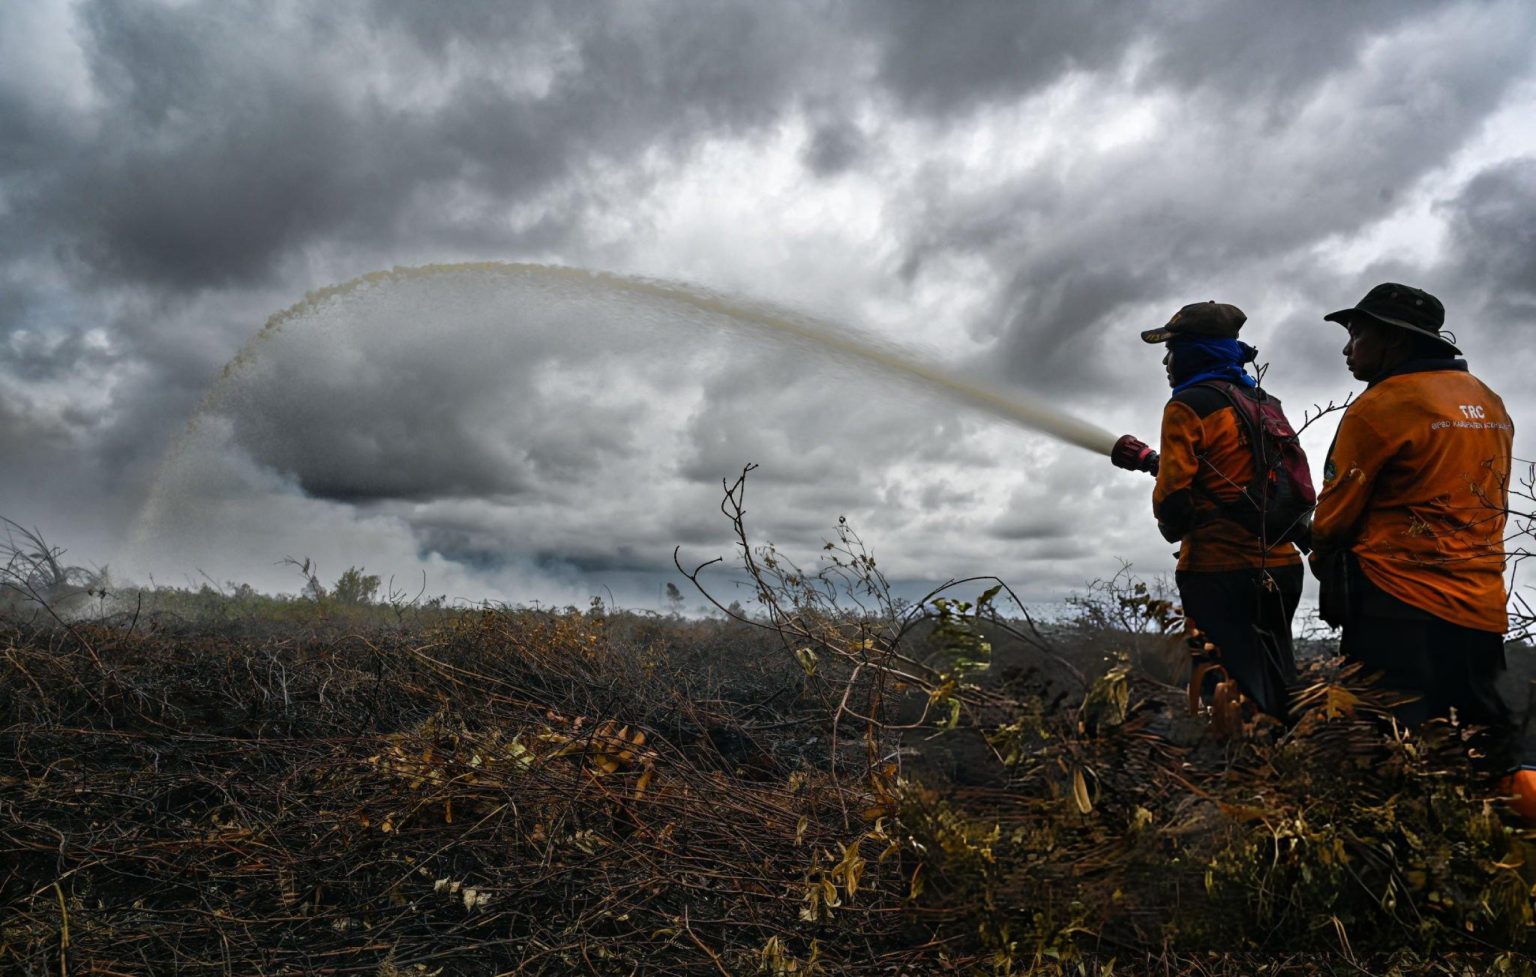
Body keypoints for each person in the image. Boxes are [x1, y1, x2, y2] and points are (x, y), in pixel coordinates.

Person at [1310, 282, 1517, 775]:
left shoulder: (1381, 405)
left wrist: (1315, 546)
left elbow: (1333, 519)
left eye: (1357, 334)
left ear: (1394, 341)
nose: (1346, 348)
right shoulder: (1488, 400)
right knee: (1478, 744)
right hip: (1481, 606)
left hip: (1396, 604)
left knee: (1388, 746)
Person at [1114, 301, 1308, 718]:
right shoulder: (1264, 401)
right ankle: (1293, 764)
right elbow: (1237, 474)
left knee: (1224, 688)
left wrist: (1172, 517)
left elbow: (1173, 502)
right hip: (1283, 569)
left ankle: (1243, 775)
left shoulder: (1188, 404)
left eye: (1174, 349)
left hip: (1219, 570)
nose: (1167, 360)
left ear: (1198, 351)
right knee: (1278, 679)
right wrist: (1151, 459)